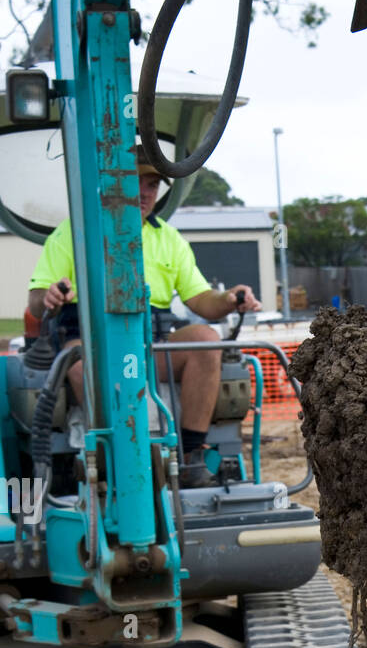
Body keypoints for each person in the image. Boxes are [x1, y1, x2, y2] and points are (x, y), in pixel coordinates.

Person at [27, 145, 263, 486]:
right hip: (94, 343)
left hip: (154, 344)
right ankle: (108, 457)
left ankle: (192, 457)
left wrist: (229, 299)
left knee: (206, 341)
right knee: (77, 362)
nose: (145, 192)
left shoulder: (168, 238)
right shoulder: (74, 233)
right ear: (113, 183)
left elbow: (201, 300)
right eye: (137, 181)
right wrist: (48, 296)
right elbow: (36, 299)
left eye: (153, 185)